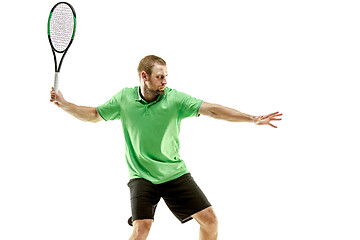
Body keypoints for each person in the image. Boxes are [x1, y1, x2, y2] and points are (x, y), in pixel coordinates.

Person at [50, 55, 282, 240]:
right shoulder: (124, 99)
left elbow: (212, 109)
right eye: (160, 77)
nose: (165, 81)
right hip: (141, 175)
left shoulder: (175, 100)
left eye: (166, 76)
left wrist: (252, 118)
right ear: (144, 76)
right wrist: (64, 104)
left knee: (210, 220)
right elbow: (93, 115)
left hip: (173, 173)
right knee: (141, 230)